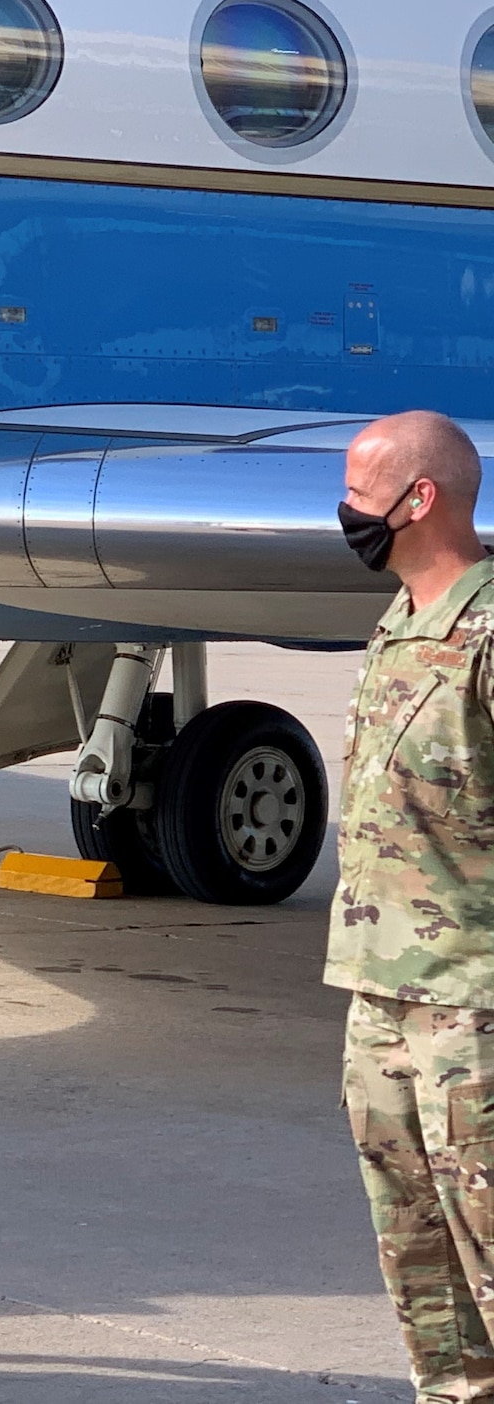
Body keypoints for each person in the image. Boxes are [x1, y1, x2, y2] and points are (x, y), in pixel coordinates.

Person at [331, 409, 494, 1404]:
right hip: (379, 994)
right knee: (422, 1279)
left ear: (416, 499)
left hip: (471, 1013)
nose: (345, 511)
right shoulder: (400, 625)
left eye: (357, 490)